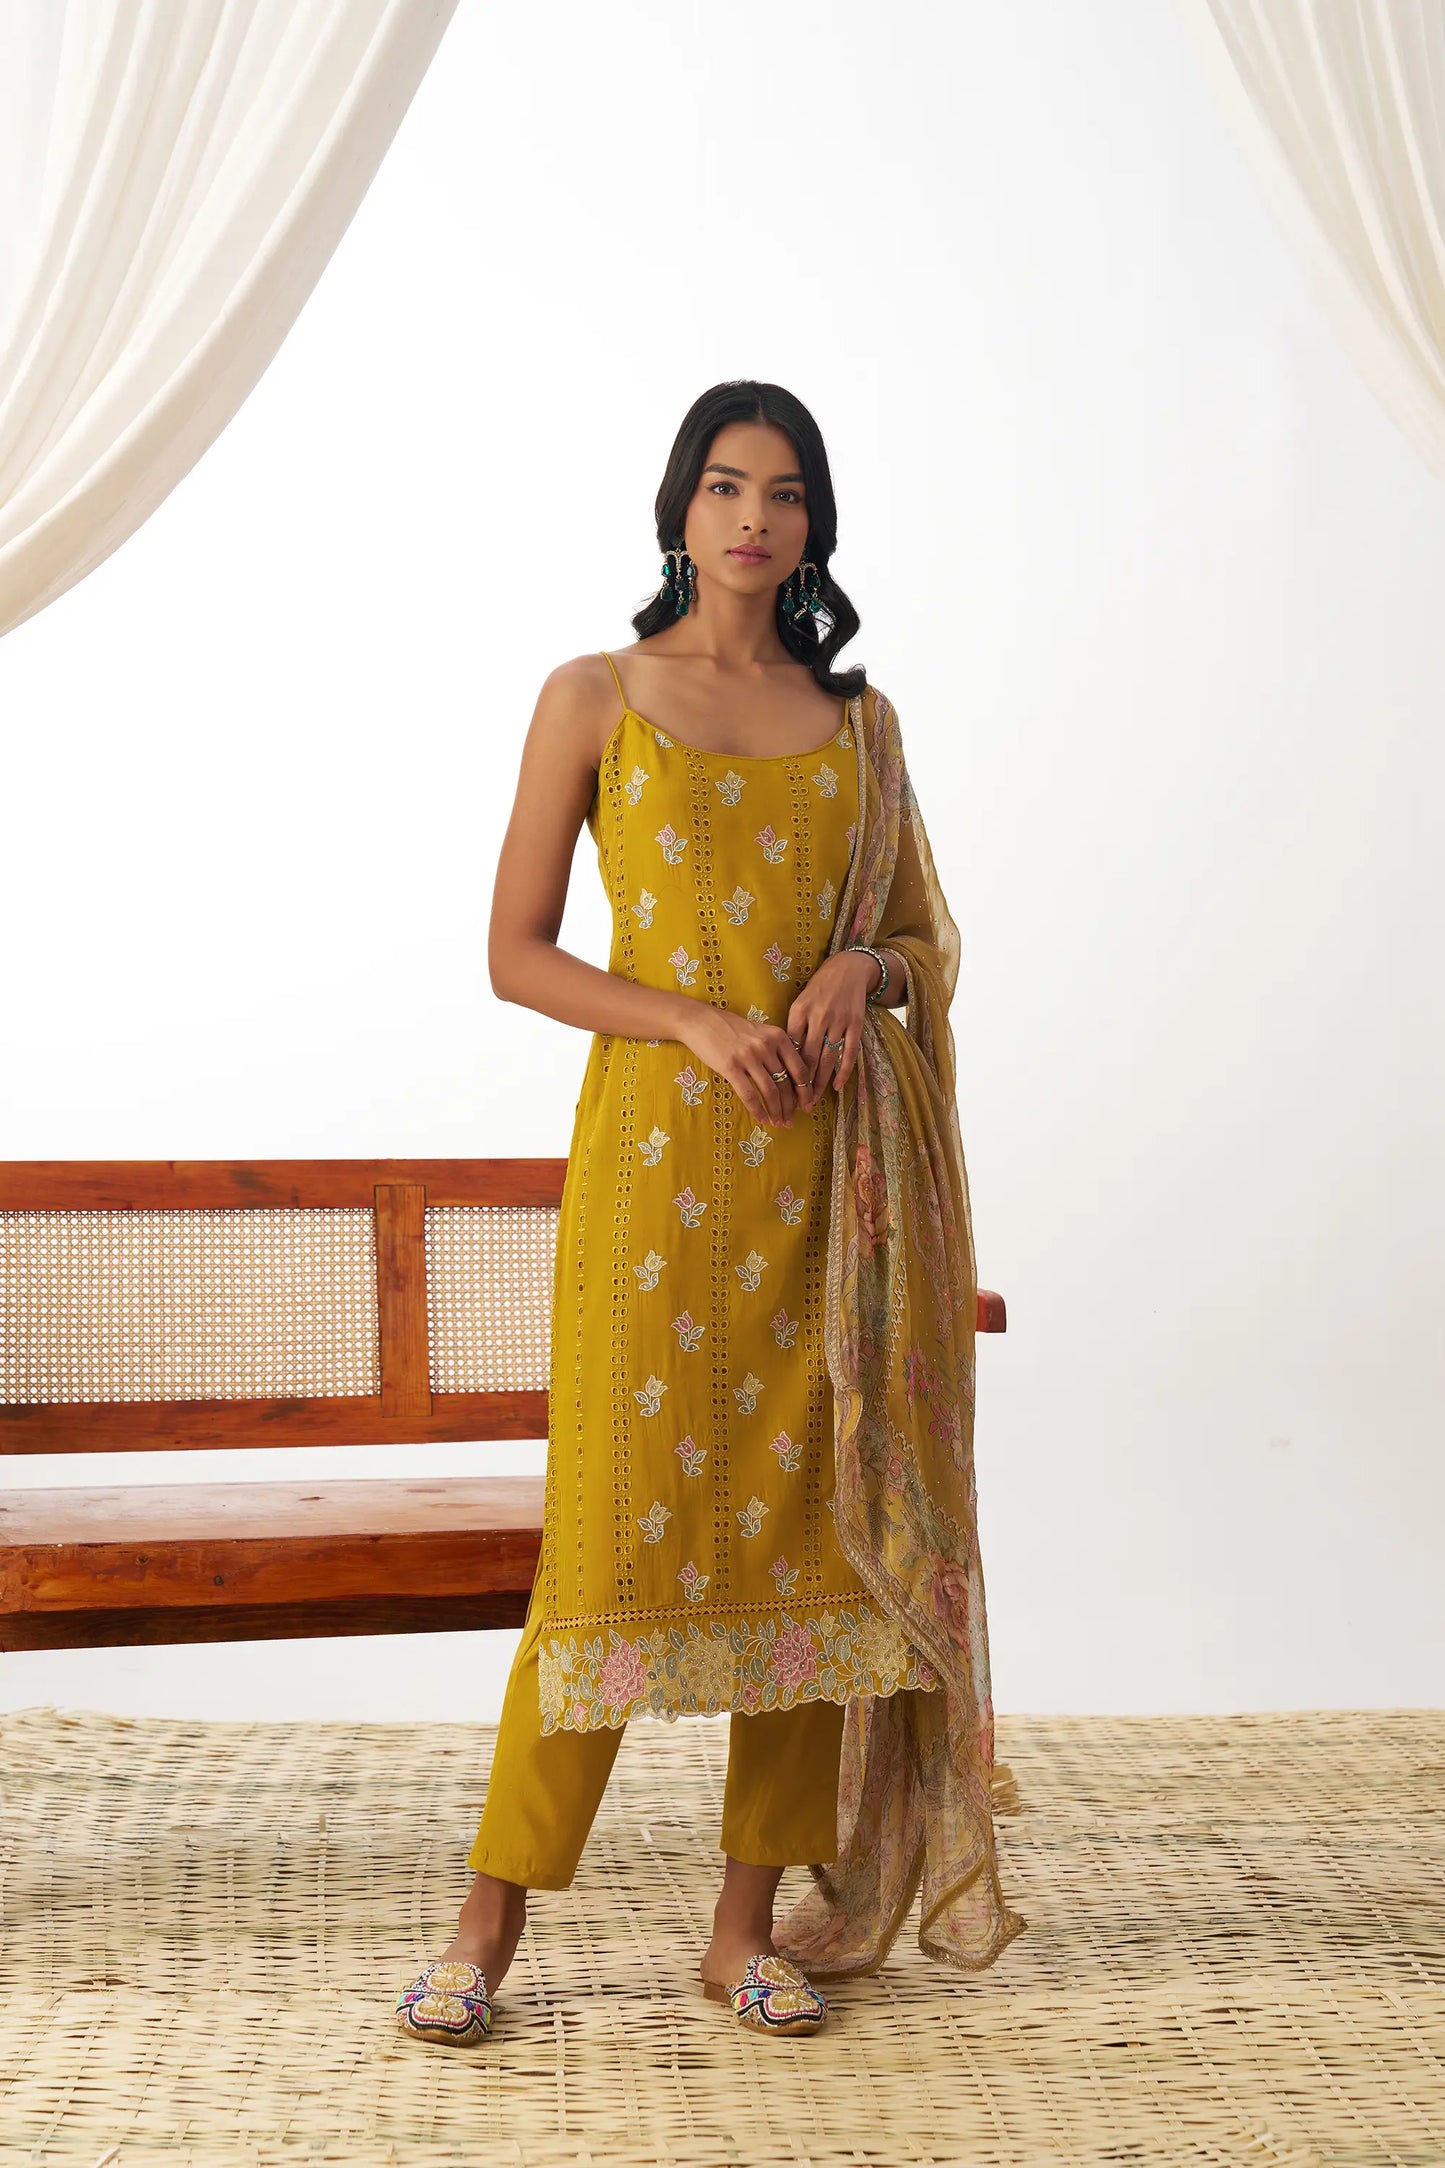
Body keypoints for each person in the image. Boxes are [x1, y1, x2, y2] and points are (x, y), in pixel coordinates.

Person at [395, 380, 1025, 2050]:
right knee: (605, 1553)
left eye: (787, 492)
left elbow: (925, 942)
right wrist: (686, 1016)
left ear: (814, 525)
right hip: (658, 1185)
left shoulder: (860, 723)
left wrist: (857, 965)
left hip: (829, 1192)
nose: (755, 518)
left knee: (814, 1557)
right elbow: (514, 951)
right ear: (678, 508)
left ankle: (741, 1928)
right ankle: (486, 1923)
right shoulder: (594, 696)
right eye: (728, 486)